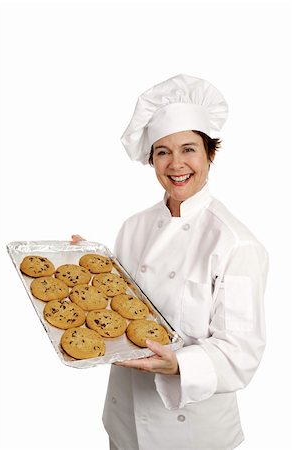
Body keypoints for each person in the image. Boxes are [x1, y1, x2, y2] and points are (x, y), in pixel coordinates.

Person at [74, 74, 268, 450]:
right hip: (124, 421)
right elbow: (120, 307)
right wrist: (86, 266)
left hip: (193, 433)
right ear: (151, 160)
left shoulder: (236, 242)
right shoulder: (134, 227)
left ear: (210, 153)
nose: (176, 164)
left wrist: (179, 364)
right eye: (162, 151)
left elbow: (242, 352)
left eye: (189, 149)